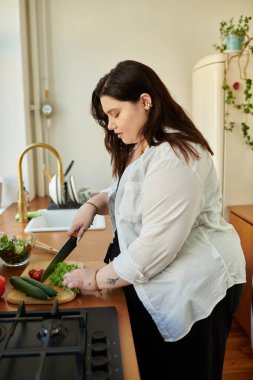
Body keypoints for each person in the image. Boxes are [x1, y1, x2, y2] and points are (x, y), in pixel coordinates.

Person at [63, 60, 246, 380]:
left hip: (193, 285)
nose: (110, 125)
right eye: (107, 117)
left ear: (145, 101)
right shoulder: (141, 146)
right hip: (157, 278)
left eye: (115, 114)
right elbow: (126, 191)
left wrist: (95, 278)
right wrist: (92, 204)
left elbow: (155, 248)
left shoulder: (177, 154)